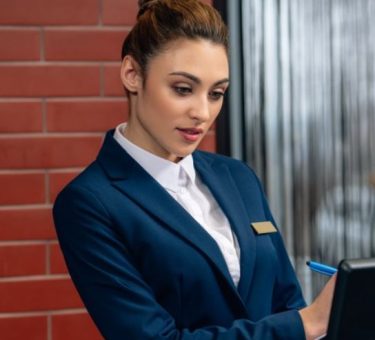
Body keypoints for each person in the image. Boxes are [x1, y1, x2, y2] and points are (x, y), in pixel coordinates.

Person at [53, 0, 336, 339]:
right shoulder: (90, 203)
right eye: (183, 89)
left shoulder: (238, 177)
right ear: (132, 74)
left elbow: (286, 300)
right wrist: (307, 323)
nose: (202, 112)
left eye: (216, 93)